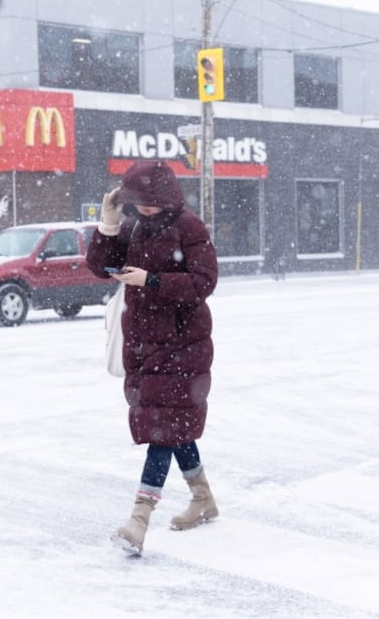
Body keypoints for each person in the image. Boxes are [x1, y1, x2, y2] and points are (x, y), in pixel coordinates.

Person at [85, 160, 220, 556]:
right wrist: (108, 225)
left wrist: (153, 280)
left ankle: (138, 520)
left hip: (183, 344)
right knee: (172, 424)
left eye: (148, 202)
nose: (142, 209)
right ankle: (203, 499)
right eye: (135, 203)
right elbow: (98, 267)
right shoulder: (133, 228)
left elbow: (204, 281)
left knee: (162, 429)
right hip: (143, 344)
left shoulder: (189, 227)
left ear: (164, 197)